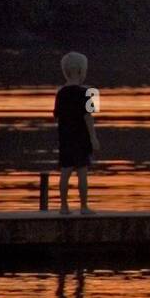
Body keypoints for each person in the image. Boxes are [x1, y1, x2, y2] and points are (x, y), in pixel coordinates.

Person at [54, 52, 99, 215]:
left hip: (65, 137)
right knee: (82, 172)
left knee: (65, 172)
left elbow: (57, 116)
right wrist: (93, 138)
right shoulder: (88, 92)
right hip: (81, 138)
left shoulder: (60, 92)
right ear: (82, 70)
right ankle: (84, 206)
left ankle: (64, 206)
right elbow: (89, 117)